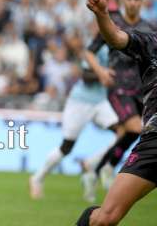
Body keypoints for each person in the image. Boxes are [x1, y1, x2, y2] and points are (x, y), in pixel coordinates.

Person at [76, 0, 157, 225]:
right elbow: (116, 38)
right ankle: (102, 166)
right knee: (104, 219)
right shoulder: (154, 42)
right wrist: (102, 14)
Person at [29, 45, 119, 203]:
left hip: (100, 102)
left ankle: (90, 163)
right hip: (80, 102)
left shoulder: (122, 47)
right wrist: (105, 74)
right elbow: (86, 76)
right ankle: (37, 178)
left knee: (126, 133)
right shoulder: (99, 48)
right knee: (66, 147)